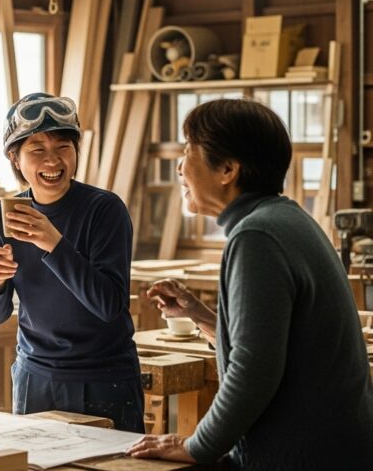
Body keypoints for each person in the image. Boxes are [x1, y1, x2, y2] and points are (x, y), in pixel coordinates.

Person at [127, 99, 373, 467]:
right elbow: (270, 341)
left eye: (188, 150)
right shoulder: (283, 219)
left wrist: (196, 446)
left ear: (228, 169)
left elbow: (254, 369)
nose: (179, 166)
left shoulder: (256, 235)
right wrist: (201, 315)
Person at [0, 93, 144, 432]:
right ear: (15, 158)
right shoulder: (4, 214)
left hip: (103, 376)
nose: (52, 161)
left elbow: (109, 305)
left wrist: (53, 243)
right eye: (37, 150)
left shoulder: (104, 210)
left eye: (63, 147)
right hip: (34, 375)